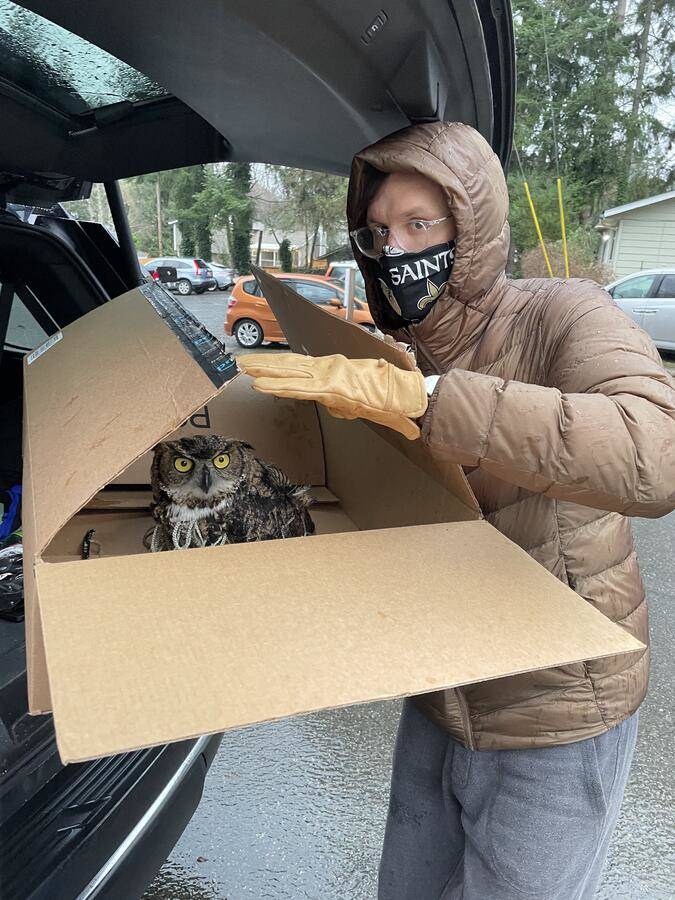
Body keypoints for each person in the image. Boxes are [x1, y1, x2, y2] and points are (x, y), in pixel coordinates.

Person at [239, 122, 675, 899]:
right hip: (442, 690)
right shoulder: (390, 349)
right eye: (378, 232)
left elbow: (655, 455)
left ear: (470, 227)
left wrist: (432, 401)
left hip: (558, 707)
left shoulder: (560, 314)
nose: (397, 249)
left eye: (419, 224)